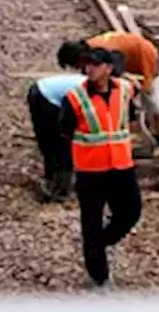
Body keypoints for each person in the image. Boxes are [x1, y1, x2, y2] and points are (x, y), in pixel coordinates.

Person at [58, 48, 143, 291]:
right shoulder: (75, 98)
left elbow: (130, 118)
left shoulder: (124, 90)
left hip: (121, 167)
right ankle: (99, 277)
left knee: (131, 212)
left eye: (95, 65)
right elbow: (64, 132)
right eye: (87, 65)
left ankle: (98, 244)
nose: (89, 69)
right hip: (91, 171)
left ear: (108, 68)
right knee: (91, 222)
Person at [58, 32, 159, 154]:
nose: (79, 68)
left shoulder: (108, 54)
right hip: (129, 60)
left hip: (145, 57)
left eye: (76, 65)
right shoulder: (93, 51)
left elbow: (119, 82)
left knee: (152, 98)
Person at [27, 46, 90, 203]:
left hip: (39, 89)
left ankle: (52, 178)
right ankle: (60, 187)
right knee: (62, 143)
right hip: (47, 98)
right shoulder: (99, 91)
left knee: (49, 140)